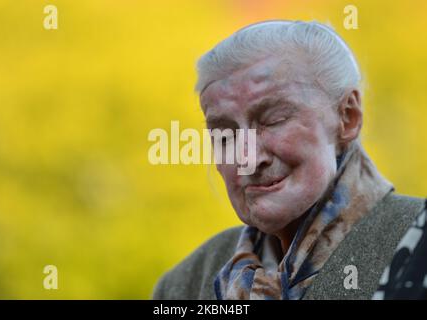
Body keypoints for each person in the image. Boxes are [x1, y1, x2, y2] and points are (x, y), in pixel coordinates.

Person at [152, 20, 424, 300]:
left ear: (347, 117)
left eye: (274, 120)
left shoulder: (417, 247)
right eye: (225, 135)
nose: (248, 158)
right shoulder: (186, 283)